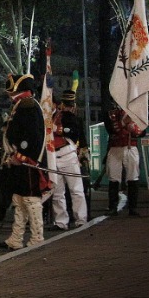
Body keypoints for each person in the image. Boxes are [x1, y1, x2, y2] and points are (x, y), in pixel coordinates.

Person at [0, 74, 47, 251]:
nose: (10, 95)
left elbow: (32, 136)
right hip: (18, 160)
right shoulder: (20, 106)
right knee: (19, 200)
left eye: (12, 91)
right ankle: (16, 238)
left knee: (31, 200)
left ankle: (37, 237)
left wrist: (22, 156)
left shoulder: (28, 105)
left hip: (27, 162)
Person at [50, 89, 88, 230]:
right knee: (57, 192)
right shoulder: (47, 117)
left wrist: (56, 129)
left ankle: (81, 219)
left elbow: (74, 131)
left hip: (68, 155)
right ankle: (61, 222)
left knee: (76, 190)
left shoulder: (67, 116)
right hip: (53, 156)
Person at [104, 105, 145, 216]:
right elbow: (110, 129)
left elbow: (143, 131)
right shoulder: (110, 113)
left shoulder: (135, 112)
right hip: (115, 148)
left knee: (133, 177)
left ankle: (132, 208)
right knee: (114, 177)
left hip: (131, 147)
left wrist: (135, 129)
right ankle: (113, 207)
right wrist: (123, 123)